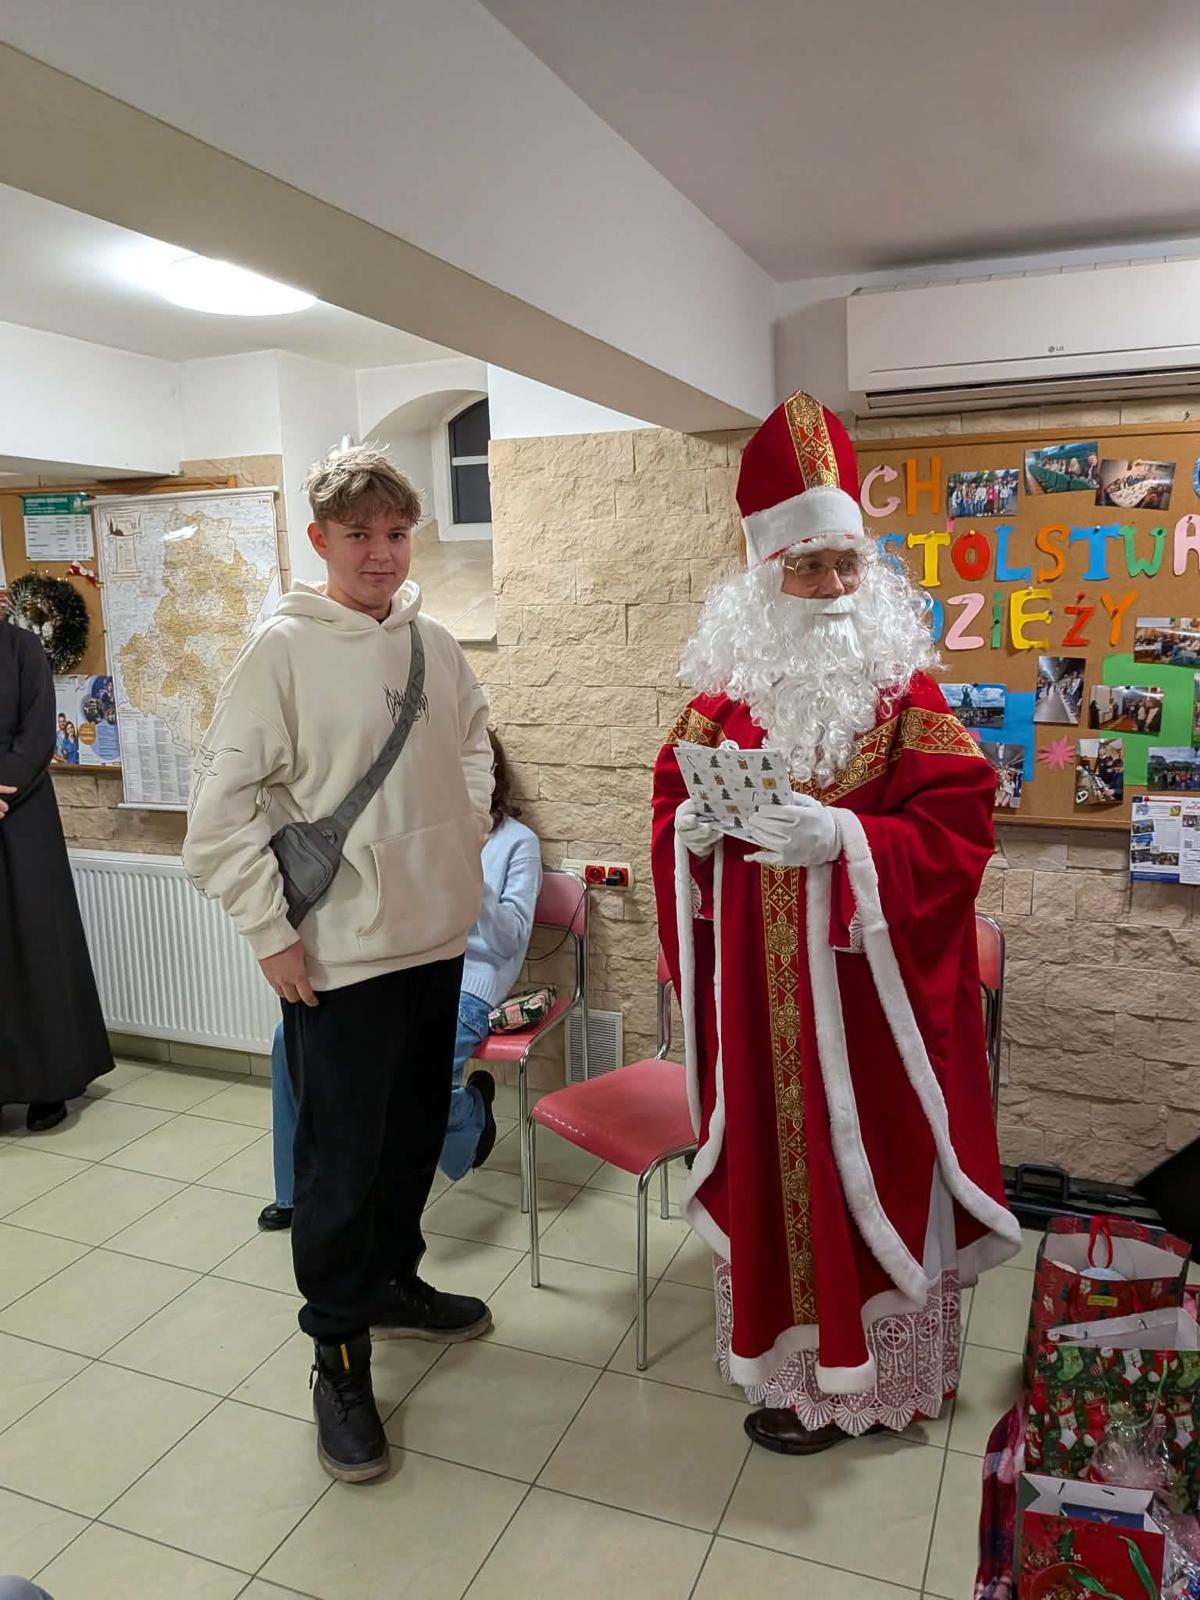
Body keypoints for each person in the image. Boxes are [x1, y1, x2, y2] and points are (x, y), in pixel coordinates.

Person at [651, 389, 1020, 1456]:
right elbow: (672, 809)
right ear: (764, 577)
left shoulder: (905, 700)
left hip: (870, 1014)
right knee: (779, 1182)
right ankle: (800, 1375)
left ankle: (882, 1383)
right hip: (761, 1017)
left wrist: (850, 842)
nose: (834, 589)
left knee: (875, 1172)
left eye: (847, 565)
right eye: (808, 567)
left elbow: (961, 829)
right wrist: (698, 838)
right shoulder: (719, 707)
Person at [183, 444, 494, 1485]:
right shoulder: (280, 652)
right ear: (319, 539)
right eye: (358, 534)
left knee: (410, 1142)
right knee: (340, 1165)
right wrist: (270, 932)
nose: (380, 552)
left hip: (435, 939)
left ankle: (394, 1285)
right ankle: (339, 1356)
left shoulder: (433, 643)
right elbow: (217, 820)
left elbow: (474, 741)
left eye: (396, 533)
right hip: (341, 959)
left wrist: (465, 831)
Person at [257, 726, 542, 1229]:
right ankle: (295, 1193)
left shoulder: (518, 843)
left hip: (470, 984)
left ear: (486, 776)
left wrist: (469, 873)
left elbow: (509, 939)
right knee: (291, 1041)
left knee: (420, 1084)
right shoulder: (418, 832)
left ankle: (473, 1122)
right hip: (403, 971)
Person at [0, 623, 112, 1133]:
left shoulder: (21, 647)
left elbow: (38, 734)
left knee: (38, 947)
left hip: (21, 813)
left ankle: (50, 1086)